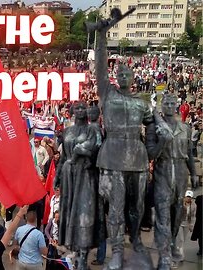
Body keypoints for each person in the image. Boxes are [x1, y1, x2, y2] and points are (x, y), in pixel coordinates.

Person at [94, 12, 155, 269]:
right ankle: (117, 250)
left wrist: (151, 146)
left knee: (137, 206)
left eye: (127, 74)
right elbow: (100, 63)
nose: (122, 76)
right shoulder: (107, 93)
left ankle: (136, 240)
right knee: (116, 207)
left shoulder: (141, 102)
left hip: (138, 156)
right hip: (114, 154)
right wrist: (102, 35)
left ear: (133, 78)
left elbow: (151, 123)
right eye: (119, 73)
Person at [146, 93, 198, 270]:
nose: (169, 105)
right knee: (163, 215)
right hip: (163, 171)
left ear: (176, 105)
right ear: (162, 106)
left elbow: (190, 153)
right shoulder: (154, 128)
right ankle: (165, 253)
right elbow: (150, 154)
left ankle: (171, 244)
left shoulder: (185, 128)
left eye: (171, 103)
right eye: (165, 103)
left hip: (181, 172)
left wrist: (194, 173)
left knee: (177, 214)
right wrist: (162, 141)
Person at [54, 101, 100, 270]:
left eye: (83, 107)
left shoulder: (93, 129)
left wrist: (85, 153)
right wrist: (57, 177)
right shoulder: (67, 131)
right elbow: (63, 156)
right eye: (78, 108)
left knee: (84, 213)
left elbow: (98, 152)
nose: (81, 110)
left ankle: (83, 255)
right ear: (72, 111)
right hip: (68, 175)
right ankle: (74, 252)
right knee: (70, 212)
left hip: (86, 175)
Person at [174, 190, 197, 264]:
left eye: (190, 197)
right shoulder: (180, 204)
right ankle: (181, 255)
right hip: (180, 224)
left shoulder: (193, 206)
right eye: (187, 197)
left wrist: (191, 225)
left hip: (187, 224)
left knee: (182, 241)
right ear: (185, 197)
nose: (188, 198)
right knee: (181, 240)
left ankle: (178, 250)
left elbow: (193, 216)